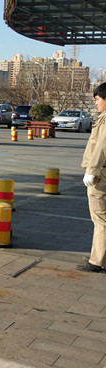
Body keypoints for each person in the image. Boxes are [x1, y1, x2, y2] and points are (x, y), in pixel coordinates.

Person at [78, 82, 106, 273]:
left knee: (100, 220)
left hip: (100, 177)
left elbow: (102, 147)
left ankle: (97, 261)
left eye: (98, 99)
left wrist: (91, 170)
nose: (96, 104)